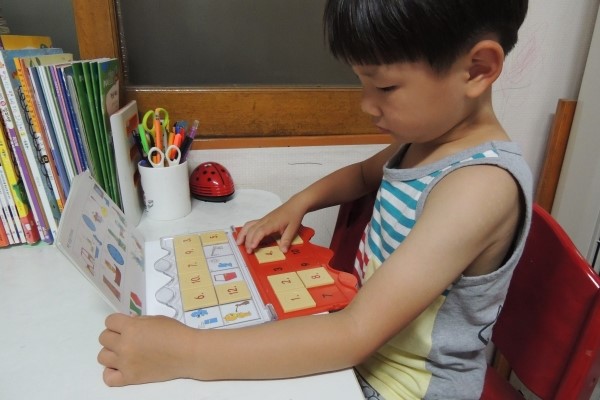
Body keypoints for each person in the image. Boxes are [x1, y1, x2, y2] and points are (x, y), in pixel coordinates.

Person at [98, 1, 532, 398]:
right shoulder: (426, 141)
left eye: (385, 88)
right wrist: (300, 202)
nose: (367, 106)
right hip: (362, 350)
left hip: (403, 387)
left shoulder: (479, 187)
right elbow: (362, 176)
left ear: (477, 69)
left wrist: (186, 352)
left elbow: (355, 333)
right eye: (363, 84)